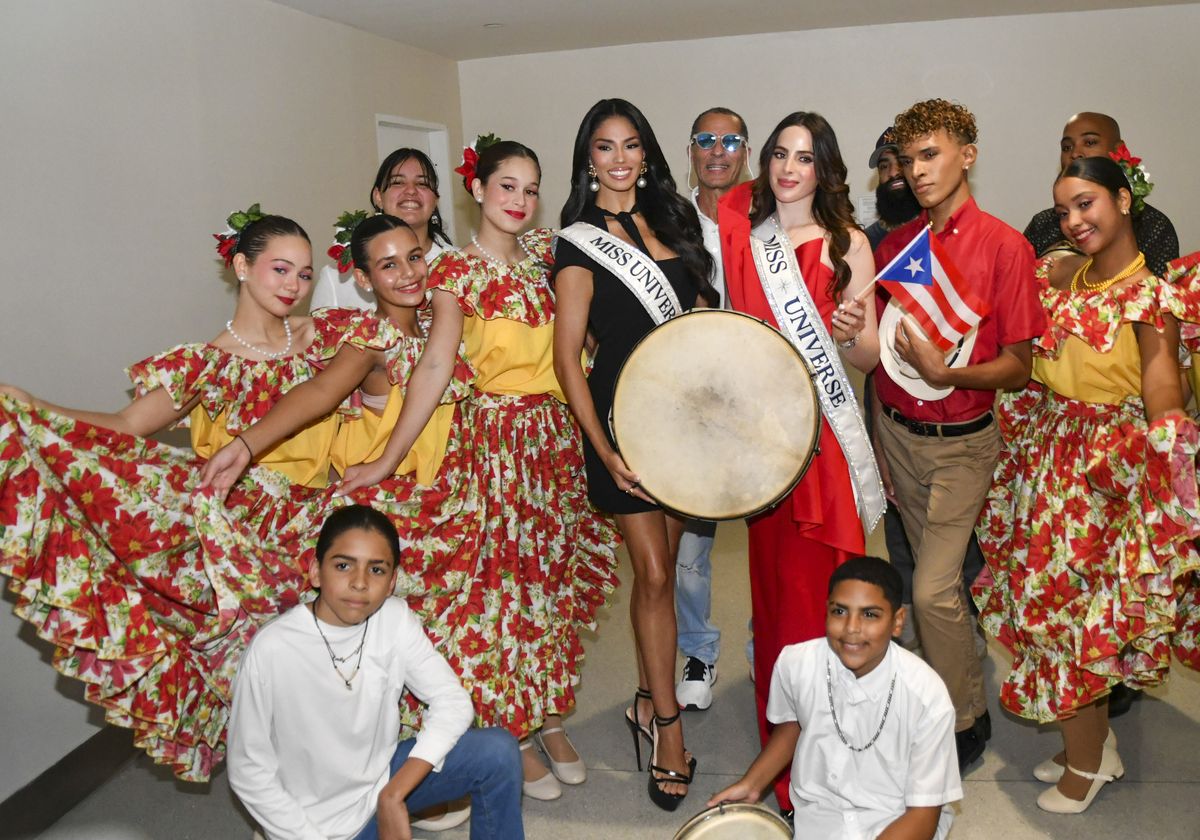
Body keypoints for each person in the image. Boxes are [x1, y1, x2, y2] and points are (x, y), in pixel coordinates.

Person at [0, 212, 352, 780]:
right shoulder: (202, 363)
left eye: (304, 275)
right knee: (280, 682)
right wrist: (33, 406)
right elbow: (122, 426)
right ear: (241, 266)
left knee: (343, 668)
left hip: (326, 519)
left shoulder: (322, 336)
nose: (292, 285)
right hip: (247, 543)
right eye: (279, 269)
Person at [329, 139, 619, 802]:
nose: (519, 200)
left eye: (530, 188)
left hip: (554, 443)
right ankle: (504, 729)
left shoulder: (548, 256)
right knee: (500, 594)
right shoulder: (455, 270)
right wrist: (388, 457)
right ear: (479, 191)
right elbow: (434, 364)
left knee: (549, 585)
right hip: (496, 448)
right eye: (507, 187)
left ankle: (545, 712)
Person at [972, 155, 1200, 813]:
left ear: (1125, 201)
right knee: (1047, 614)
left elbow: (1161, 385)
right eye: (1065, 208)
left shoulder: (1152, 296)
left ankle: (1089, 761)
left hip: (1108, 474)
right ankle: (1093, 746)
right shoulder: (1067, 280)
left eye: (1087, 204)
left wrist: (1170, 451)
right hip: (1050, 459)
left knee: (1071, 622)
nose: (1074, 220)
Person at [872, 99, 1044, 775]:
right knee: (934, 588)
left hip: (964, 442)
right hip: (898, 435)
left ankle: (964, 719)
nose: (917, 171)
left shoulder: (1006, 246)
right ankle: (953, 688)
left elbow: (1020, 366)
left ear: (966, 155)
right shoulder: (895, 246)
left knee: (930, 591)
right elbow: (887, 351)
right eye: (908, 159)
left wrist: (950, 371)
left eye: (931, 154)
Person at [552, 98, 716, 810]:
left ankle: (646, 697)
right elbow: (569, 360)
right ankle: (669, 733)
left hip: (686, 423)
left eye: (630, 146)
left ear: (646, 154)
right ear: (589, 159)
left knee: (671, 565)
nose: (618, 159)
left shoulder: (678, 223)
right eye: (604, 147)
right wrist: (604, 449)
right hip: (624, 429)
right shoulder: (577, 242)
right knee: (652, 575)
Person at [717, 111, 883, 814]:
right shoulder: (744, 241)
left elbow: (867, 357)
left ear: (825, 170)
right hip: (767, 454)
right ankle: (782, 771)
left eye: (805, 157)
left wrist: (849, 334)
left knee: (828, 617)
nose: (789, 167)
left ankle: (836, 764)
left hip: (827, 455)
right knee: (778, 616)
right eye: (780, 154)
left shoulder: (848, 244)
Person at [227, 504, 523, 840]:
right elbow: (248, 770)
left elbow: (452, 702)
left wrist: (394, 793)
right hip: (308, 825)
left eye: (377, 570)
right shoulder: (273, 649)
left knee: (498, 753)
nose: (359, 583)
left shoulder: (394, 619)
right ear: (314, 571)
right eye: (343, 566)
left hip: (379, 786)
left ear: (393, 580)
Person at [709, 557, 961, 840]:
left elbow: (923, 815)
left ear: (897, 621)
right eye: (840, 611)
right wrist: (752, 784)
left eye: (870, 614)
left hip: (897, 821)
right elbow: (792, 727)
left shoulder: (927, 697)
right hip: (821, 819)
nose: (852, 628)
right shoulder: (796, 663)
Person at [674, 106, 751, 712]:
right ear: (692, 150)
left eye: (731, 141)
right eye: (707, 140)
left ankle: (767, 645)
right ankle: (699, 647)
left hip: (757, 401)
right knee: (690, 550)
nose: (718, 150)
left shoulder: (768, 218)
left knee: (770, 542)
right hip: (692, 406)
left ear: (746, 151)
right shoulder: (667, 222)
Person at [1023, 112, 1179, 276]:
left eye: (1089, 142)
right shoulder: (1044, 224)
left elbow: (1158, 292)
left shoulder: (1153, 226)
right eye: (1067, 147)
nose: (1075, 153)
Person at [311, 148, 453, 311]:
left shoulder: (461, 267)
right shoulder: (337, 279)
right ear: (378, 197)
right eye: (398, 182)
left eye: (422, 183)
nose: (411, 190)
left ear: (435, 199)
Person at [864, 127, 922, 251]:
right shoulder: (867, 242)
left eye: (902, 163)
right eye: (884, 166)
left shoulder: (935, 228)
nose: (893, 173)